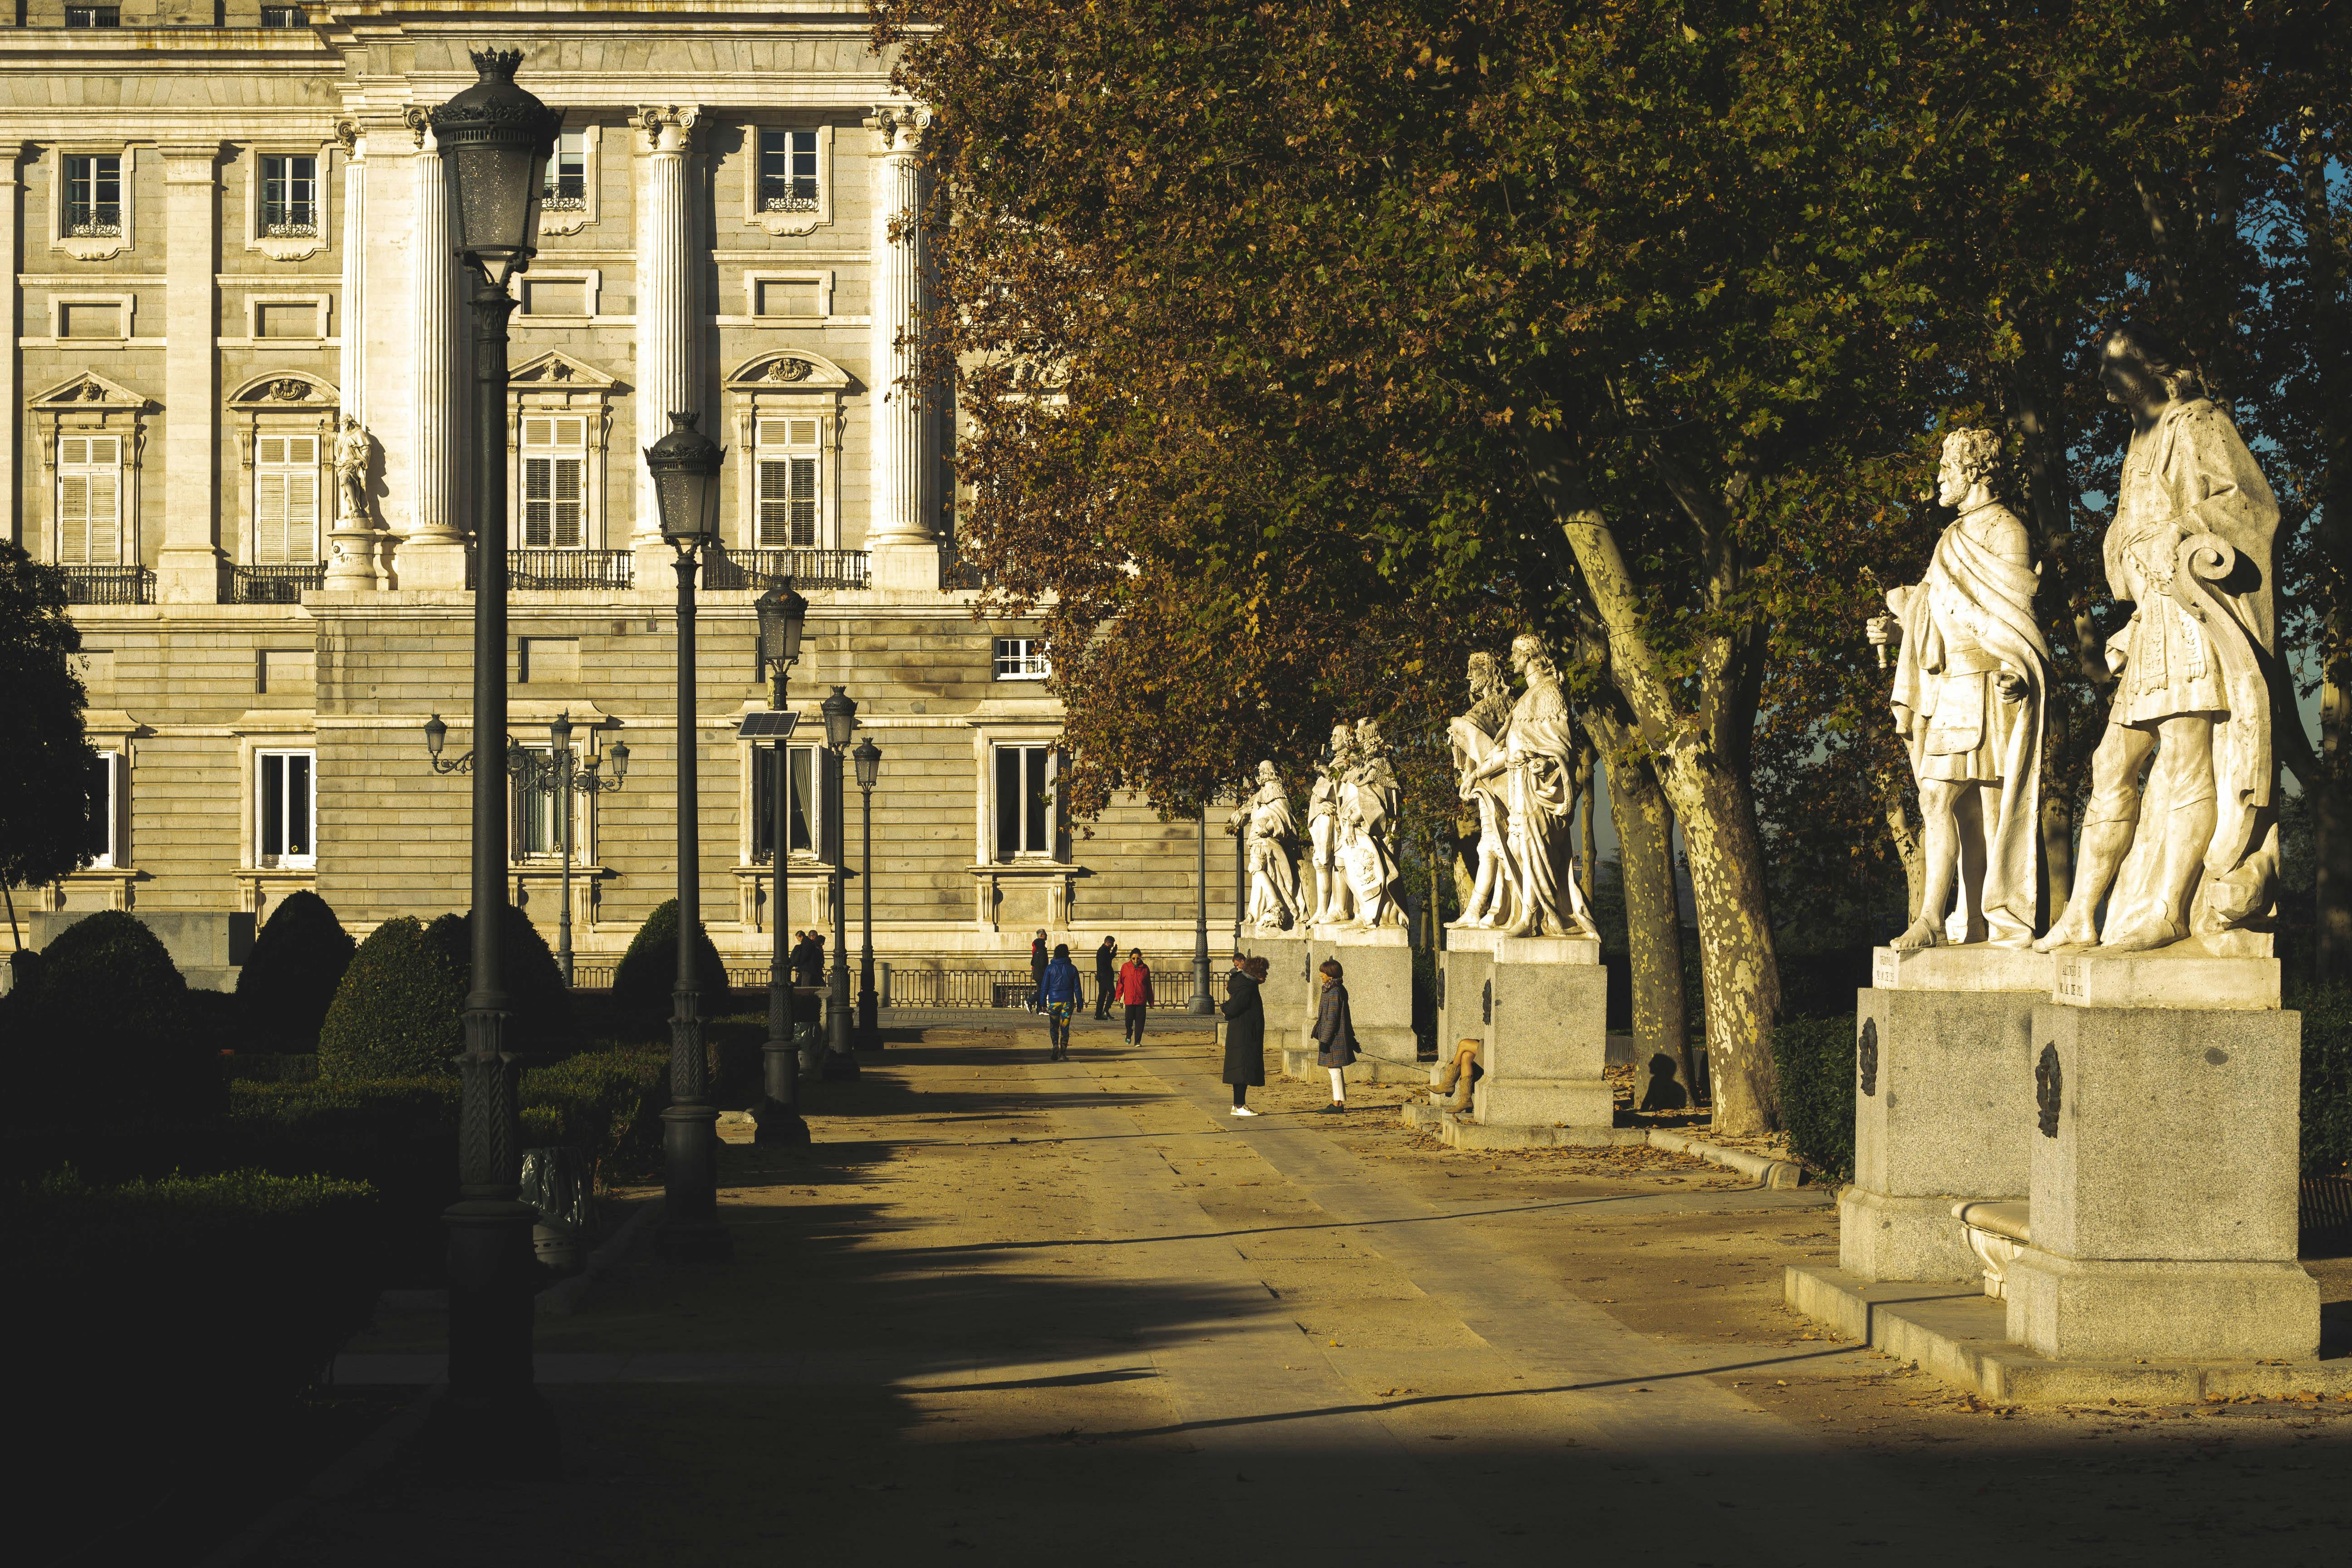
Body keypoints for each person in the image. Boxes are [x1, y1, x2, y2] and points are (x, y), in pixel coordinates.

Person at [1220, 952, 1268, 1116]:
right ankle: (1239, 1105)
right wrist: (1226, 1010)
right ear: (1256, 973)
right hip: (1244, 1034)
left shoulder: (1248, 985)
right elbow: (1234, 1007)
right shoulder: (1247, 988)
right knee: (1242, 1070)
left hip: (1245, 1032)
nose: (1267, 975)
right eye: (1264, 971)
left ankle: (1238, 1104)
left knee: (1242, 1070)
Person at [1309, 956, 1356, 1113]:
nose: (1321, 975)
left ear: (1330, 974)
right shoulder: (1333, 990)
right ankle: (1337, 1102)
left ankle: (1338, 1104)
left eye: (1323, 972)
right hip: (1335, 1037)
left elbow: (1332, 1018)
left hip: (1334, 1039)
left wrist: (1325, 1040)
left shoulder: (1334, 991)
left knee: (1335, 1070)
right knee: (1335, 1069)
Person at [1040, 942, 1083, 1061]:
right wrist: (1080, 1003)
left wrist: (1042, 1003)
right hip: (1068, 1002)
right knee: (1065, 1028)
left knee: (1054, 1026)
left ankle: (1055, 1046)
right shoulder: (1073, 968)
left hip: (1054, 1002)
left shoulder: (1050, 968)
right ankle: (1063, 1054)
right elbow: (1077, 988)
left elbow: (1044, 987)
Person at [1115, 948, 1154, 1044]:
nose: (1136, 960)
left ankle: (1137, 1041)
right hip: (1130, 999)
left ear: (1141, 958)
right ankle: (1129, 1033)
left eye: (1138, 958)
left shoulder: (1145, 969)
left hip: (1141, 999)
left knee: (1140, 1022)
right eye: (1134, 958)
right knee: (1128, 1020)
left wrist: (1151, 1000)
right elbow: (1121, 983)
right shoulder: (1125, 967)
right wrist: (1118, 995)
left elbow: (1148, 985)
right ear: (1130, 958)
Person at [1093, 935, 1118, 1020]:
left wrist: (1113, 953)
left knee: (1102, 996)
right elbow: (1106, 963)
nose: (1112, 947)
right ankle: (1105, 1011)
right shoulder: (1104, 950)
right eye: (1112, 945)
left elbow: (1107, 960)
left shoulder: (1104, 950)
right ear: (1109, 943)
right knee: (1112, 993)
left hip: (1103, 976)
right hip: (1105, 976)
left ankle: (1098, 1014)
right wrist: (1113, 953)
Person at [1028, 929, 1048, 1013]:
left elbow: (1033, 961)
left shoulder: (1037, 947)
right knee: (1043, 990)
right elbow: (1042, 962)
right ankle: (1030, 1001)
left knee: (1041, 989)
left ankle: (1040, 1009)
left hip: (1037, 971)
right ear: (1042, 935)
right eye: (1045, 934)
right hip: (1040, 972)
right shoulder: (1040, 949)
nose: (1047, 936)